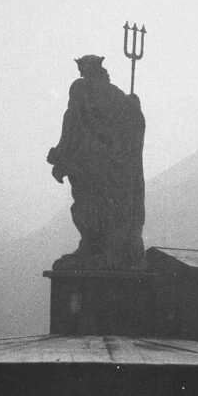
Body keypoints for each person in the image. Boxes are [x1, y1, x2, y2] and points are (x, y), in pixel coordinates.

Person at [47, 54, 146, 270]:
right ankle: (103, 247)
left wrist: (60, 155)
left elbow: (71, 122)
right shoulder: (117, 96)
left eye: (83, 71)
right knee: (103, 205)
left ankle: (101, 248)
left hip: (96, 167)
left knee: (92, 203)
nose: (82, 76)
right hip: (108, 169)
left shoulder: (82, 90)